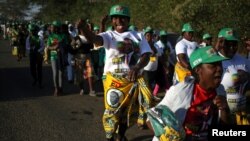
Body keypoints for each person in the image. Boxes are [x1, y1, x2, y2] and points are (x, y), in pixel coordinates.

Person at [79, 4, 153, 141]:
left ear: (128, 20)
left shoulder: (138, 36)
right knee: (112, 111)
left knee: (127, 112)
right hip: (113, 80)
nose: (119, 21)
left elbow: (146, 55)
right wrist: (84, 29)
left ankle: (121, 135)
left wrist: (136, 68)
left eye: (123, 18)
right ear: (112, 20)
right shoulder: (109, 35)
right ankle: (110, 137)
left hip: (132, 81)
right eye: (115, 18)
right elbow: (95, 40)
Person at [147, 46, 232, 141]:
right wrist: (168, 137)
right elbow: (152, 118)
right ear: (198, 70)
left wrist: (225, 109)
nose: (219, 69)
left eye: (220, 64)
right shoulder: (180, 91)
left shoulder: (220, 90)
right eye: (213, 65)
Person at [216, 28, 250, 125]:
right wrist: (215, 49)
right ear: (220, 44)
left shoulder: (242, 60)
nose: (231, 47)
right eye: (227, 44)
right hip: (222, 115)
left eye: (234, 44)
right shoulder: (215, 61)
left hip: (241, 113)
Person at [47, 21, 68, 96]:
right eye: (52, 27)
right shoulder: (50, 36)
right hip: (53, 56)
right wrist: (54, 47)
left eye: (53, 27)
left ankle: (61, 88)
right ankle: (56, 88)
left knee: (61, 73)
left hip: (61, 57)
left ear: (57, 28)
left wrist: (61, 47)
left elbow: (66, 45)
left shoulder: (63, 36)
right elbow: (48, 47)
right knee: (55, 73)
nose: (52, 28)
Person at [26, 23, 45, 88]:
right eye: (31, 30)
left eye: (33, 30)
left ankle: (40, 83)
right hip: (32, 55)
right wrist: (31, 49)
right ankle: (35, 79)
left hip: (39, 55)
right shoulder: (29, 38)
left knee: (39, 69)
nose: (32, 32)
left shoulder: (40, 38)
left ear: (36, 31)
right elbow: (27, 47)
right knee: (32, 69)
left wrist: (38, 50)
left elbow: (43, 46)